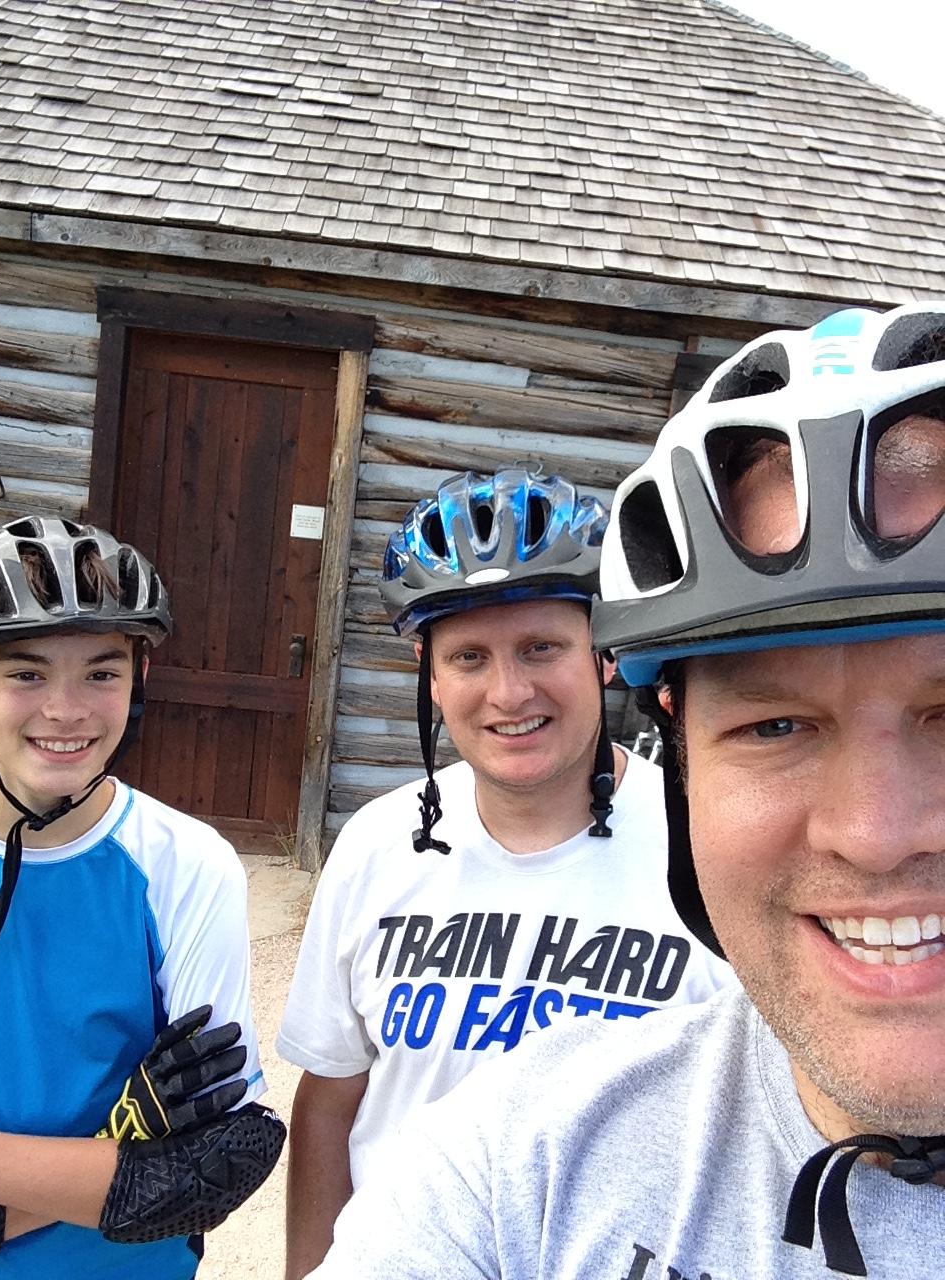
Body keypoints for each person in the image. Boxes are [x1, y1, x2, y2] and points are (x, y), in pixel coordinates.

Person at [310, 303, 945, 1279]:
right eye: (774, 723)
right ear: (684, 753)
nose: (873, 832)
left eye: (540, 649)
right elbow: (336, 1100)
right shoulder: (525, 1152)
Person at [278, 467, 731, 1278]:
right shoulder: (378, 845)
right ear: (431, 674)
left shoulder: (706, 840)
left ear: (602, 653)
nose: (508, 691)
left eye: (541, 647)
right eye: (469, 657)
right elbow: (331, 1099)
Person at [0, 517, 285, 1277]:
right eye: (26, 673)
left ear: (139, 681)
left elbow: (215, 1164)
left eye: (101, 672)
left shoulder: (185, 863)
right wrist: (115, 1157)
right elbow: (162, 1173)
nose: (67, 710)